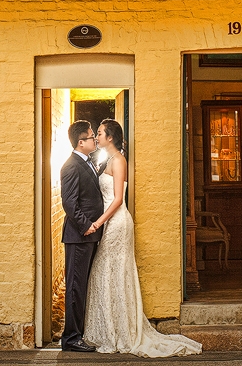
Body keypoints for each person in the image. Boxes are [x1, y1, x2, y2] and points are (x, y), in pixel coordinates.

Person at [83, 118, 202, 357]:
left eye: (100, 132)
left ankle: (122, 331)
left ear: (110, 137)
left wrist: (98, 223)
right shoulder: (107, 159)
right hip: (109, 221)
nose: (96, 136)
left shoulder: (119, 160)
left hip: (117, 223)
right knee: (105, 271)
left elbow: (118, 199)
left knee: (114, 271)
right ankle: (109, 329)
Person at [59, 120, 104, 352]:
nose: (94, 139)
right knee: (75, 288)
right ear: (80, 142)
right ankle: (71, 338)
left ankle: (79, 333)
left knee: (82, 286)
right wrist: (86, 225)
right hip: (78, 236)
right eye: (91, 136)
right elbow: (69, 202)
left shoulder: (86, 161)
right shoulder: (70, 166)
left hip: (88, 236)